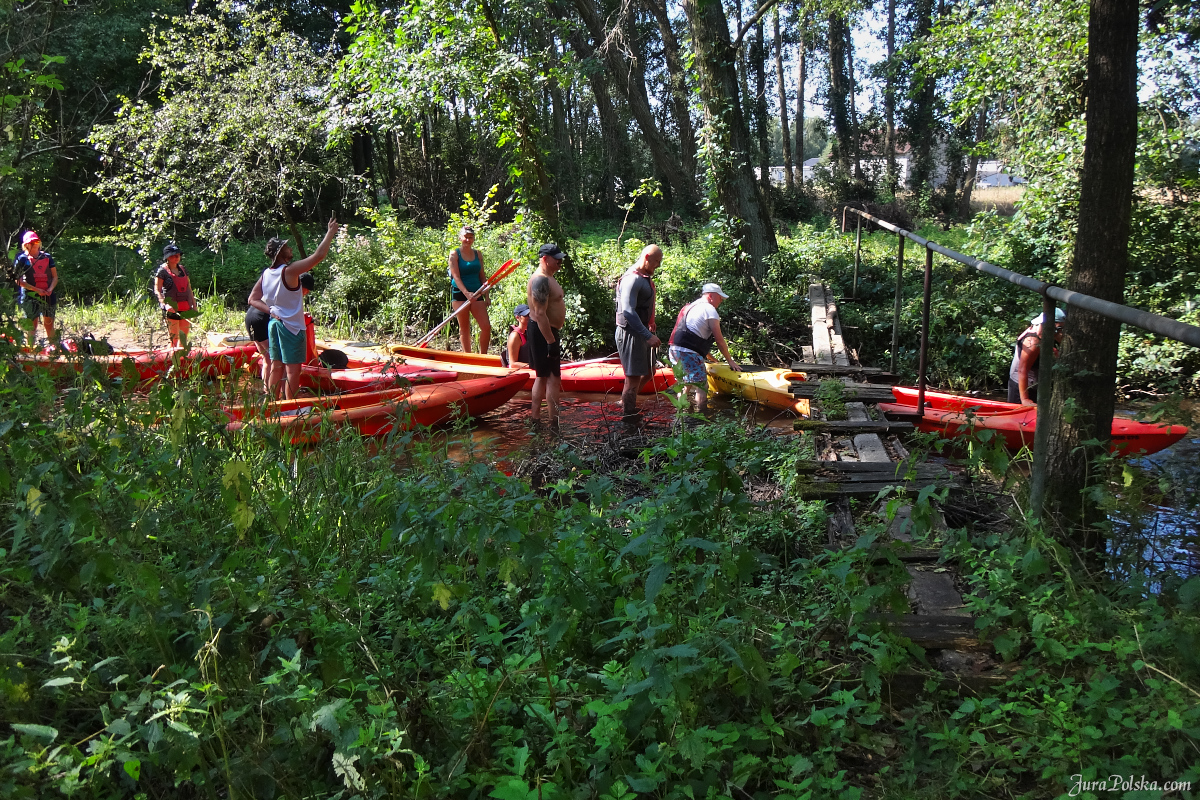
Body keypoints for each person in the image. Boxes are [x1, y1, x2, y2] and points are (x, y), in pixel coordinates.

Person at [260, 217, 338, 400]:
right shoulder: (290, 270)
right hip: (291, 327)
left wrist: (271, 311)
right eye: (287, 247)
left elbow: (254, 299)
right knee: (293, 371)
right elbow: (318, 256)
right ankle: (290, 409)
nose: (290, 249)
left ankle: (272, 404)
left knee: (277, 365)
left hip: (274, 324)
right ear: (280, 253)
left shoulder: (266, 273)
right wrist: (330, 233)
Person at [668, 283, 741, 415]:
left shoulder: (691, 306)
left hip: (674, 350)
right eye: (720, 298)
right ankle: (701, 417)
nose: (721, 302)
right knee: (702, 386)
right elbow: (719, 339)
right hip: (687, 353)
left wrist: (712, 359)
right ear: (711, 296)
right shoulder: (709, 309)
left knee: (686, 383)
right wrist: (730, 361)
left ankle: (682, 415)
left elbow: (693, 337)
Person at [614, 244, 663, 425]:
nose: (658, 266)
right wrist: (646, 335)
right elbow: (627, 310)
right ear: (647, 257)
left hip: (640, 330)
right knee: (633, 378)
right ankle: (628, 418)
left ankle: (625, 402)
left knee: (650, 370)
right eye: (657, 261)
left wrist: (650, 322)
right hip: (630, 332)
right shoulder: (632, 279)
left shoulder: (644, 277)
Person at [247, 272, 314, 393]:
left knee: (267, 358)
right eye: (306, 290)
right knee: (279, 361)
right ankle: (281, 393)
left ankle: (267, 393)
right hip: (262, 319)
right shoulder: (292, 291)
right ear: (301, 285)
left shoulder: (281, 286)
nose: (306, 293)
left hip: (251, 317)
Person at [526, 243, 566, 428]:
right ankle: (552, 423)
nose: (560, 262)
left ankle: (537, 420)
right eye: (556, 259)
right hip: (544, 332)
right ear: (544, 259)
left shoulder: (548, 277)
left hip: (546, 331)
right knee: (551, 378)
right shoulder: (540, 280)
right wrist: (551, 341)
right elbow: (540, 313)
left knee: (543, 376)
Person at [1008, 307, 1065, 405]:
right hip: (1022, 387)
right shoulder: (1033, 341)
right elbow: (1022, 370)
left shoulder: (1042, 331)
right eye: (1059, 329)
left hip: (1036, 384)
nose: (1060, 333)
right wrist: (1025, 399)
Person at [448, 226, 491, 353]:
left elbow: (482, 276)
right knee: (464, 328)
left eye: (470, 237)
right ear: (460, 238)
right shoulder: (454, 254)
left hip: (477, 293)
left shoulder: (478, 254)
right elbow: (455, 276)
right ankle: (468, 356)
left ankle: (483, 356)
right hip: (460, 293)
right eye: (465, 237)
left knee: (486, 327)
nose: (468, 240)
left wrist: (487, 295)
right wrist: (466, 293)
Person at [14, 231, 58, 348]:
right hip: (29, 297)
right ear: (26, 245)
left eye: (37, 241)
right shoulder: (22, 259)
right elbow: (18, 280)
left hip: (48, 296)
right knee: (31, 327)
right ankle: (31, 352)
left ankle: (54, 352)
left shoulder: (47, 257)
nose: (35, 244)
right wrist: (36, 290)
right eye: (32, 242)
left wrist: (50, 289)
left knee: (49, 325)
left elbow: (55, 277)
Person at [154, 242, 198, 349]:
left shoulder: (183, 269)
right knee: (174, 340)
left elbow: (189, 288)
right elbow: (157, 290)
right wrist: (165, 304)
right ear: (167, 258)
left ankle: (182, 362)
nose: (177, 257)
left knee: (183, 339)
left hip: (186, 307)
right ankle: (172, 361)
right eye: (173, 255)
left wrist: (194, 305)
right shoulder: (162, 272)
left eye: (178, 254)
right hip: (172, 308)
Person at [501, 303, 533, 368]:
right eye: (526, 315)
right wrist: (533, 366)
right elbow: (513, 364)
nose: (529, 317)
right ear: (517, 318)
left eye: (530, 315)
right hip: (515, 372)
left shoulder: (528, 332)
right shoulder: (515, 336)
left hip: (527, 369)